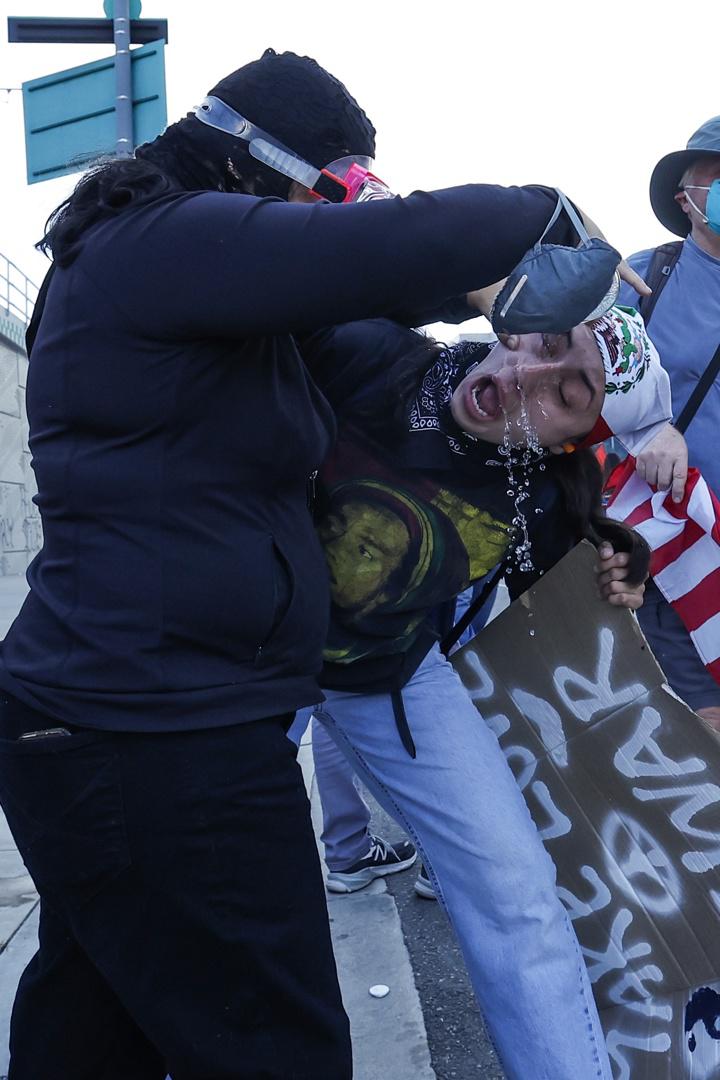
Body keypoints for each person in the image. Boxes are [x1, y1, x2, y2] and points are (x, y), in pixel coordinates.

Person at [0, 47, 638, 1080]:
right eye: (326, 197)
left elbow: (379, 292)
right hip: (162, 732)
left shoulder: (192, 280)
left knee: (92, 1031)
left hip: (132, 722)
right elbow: (392, 253)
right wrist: (551, 214)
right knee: (276, 1048)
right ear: (268, 166)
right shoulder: (163, 241)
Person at [290, 305, 671, 1080]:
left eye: (569, 393)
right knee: (205, 881)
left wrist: (621, 572)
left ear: (577, 439)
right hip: (241, 657)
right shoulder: (372, 354)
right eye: (547, 344)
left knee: (519, 894)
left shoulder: (548, 490)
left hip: (390, 679)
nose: (526, 375)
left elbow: (559, 610)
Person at [617, 116, 720, 726]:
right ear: (687, 199)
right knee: (705, 738)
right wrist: (651, 423)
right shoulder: (642, 279)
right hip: (675, 551)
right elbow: (581, 396)